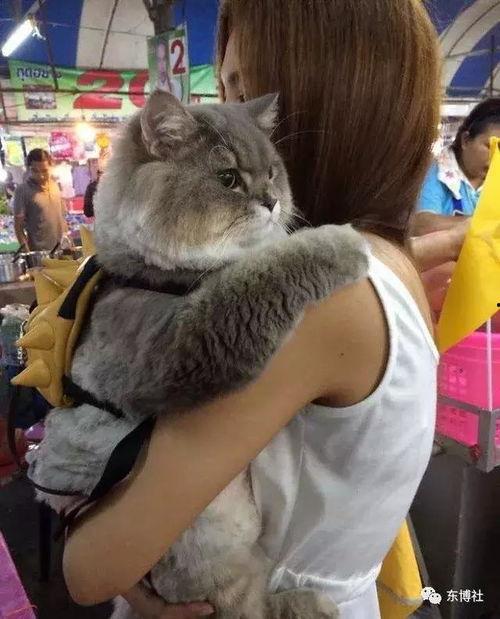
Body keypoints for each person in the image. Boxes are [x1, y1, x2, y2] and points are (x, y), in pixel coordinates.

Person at [63, 1, 443, 617]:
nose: (231, 108)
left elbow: (91, 569)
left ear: (324, 94)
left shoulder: (321, 286)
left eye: (241, 87)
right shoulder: (387, 258)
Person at [412, 98, 500, 236]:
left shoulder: (495, 181)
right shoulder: (436, 173)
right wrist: (485, 223)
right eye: (490, 146)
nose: (496, 156)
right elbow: (422, 225)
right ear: (465, 140)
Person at [13, 148, 67, 251]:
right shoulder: (22, 190)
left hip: (62, 250)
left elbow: (62, 218)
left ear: (51, 167)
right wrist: (28, 253)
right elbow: (18, 227)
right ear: (29, 169)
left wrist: (68, 241)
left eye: (44, 171)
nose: (41, 176)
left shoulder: (55, 185)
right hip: (40, 253)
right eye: (35, 171)